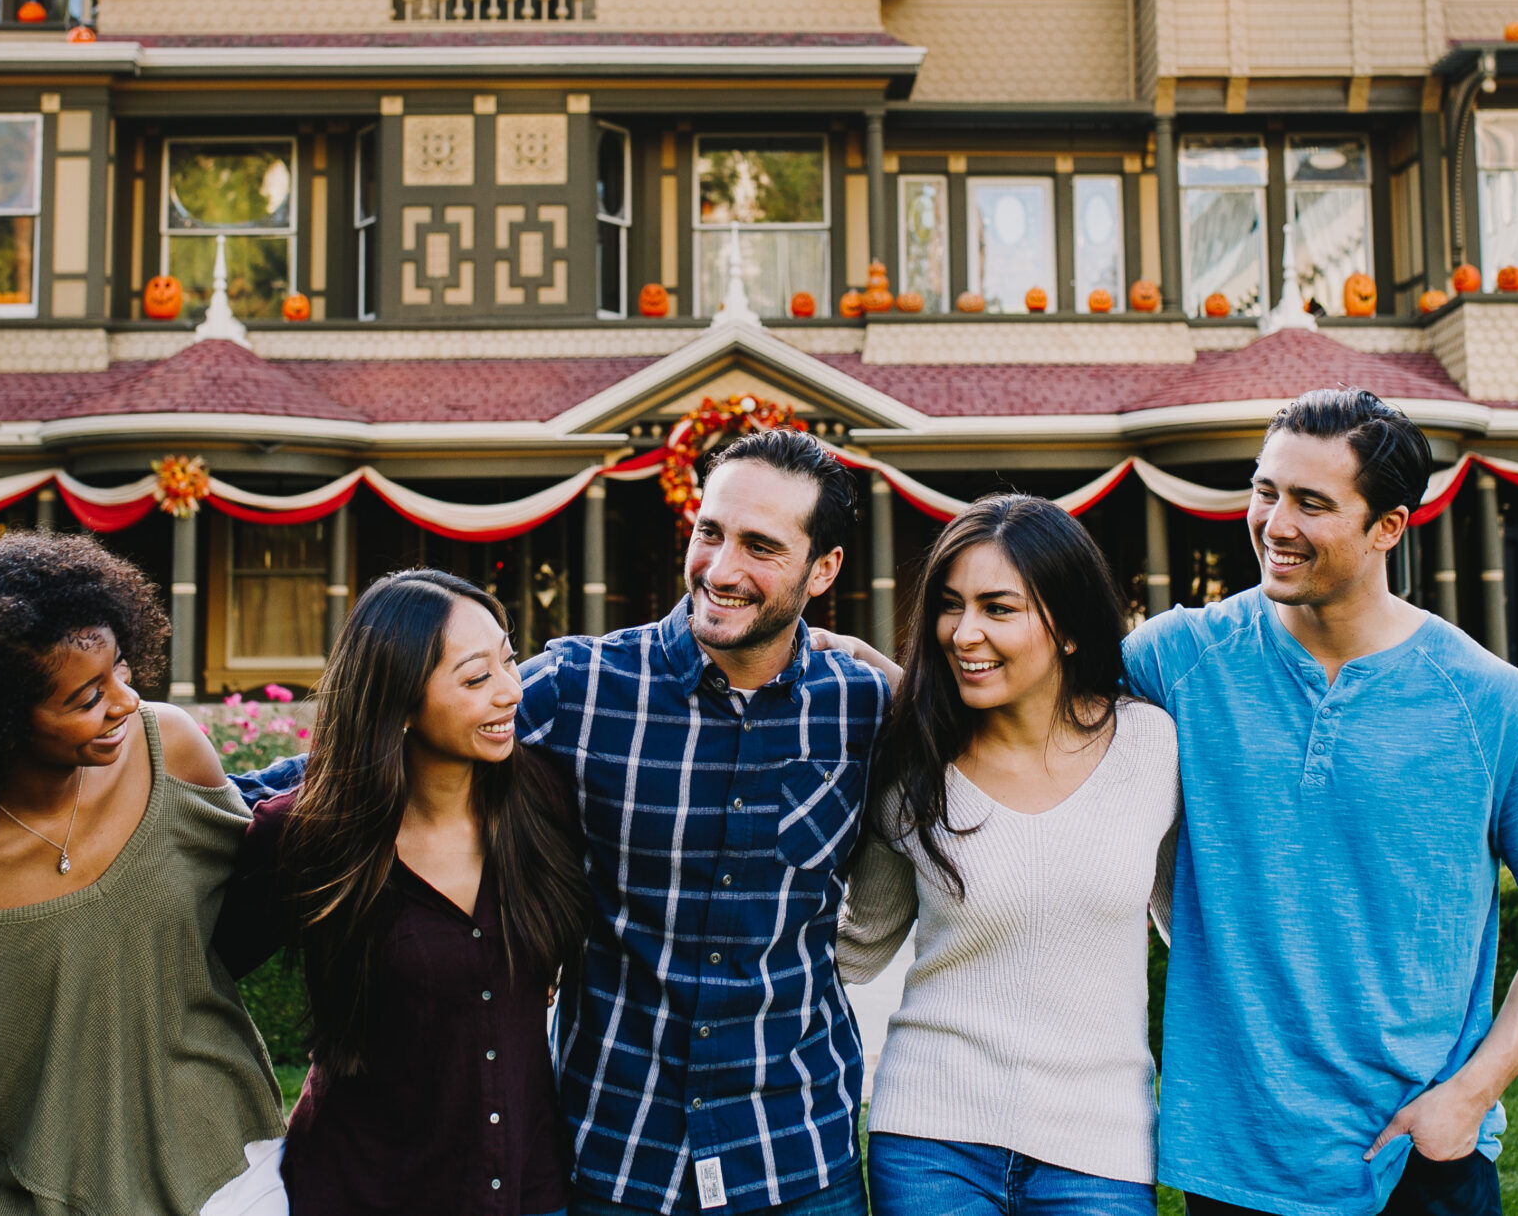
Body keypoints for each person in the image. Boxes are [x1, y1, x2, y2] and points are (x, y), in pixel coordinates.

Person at [234, 427, 891, 1216]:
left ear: (824, 571)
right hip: (617, 1158)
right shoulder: (584, 688)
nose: (720, 568)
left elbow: (1001, 744)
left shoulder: (865, 710)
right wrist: (139, 770)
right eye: (710, 531)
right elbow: (365, 756)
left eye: (761, 547)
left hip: (797, 1154)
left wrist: (909, 675)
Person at [1124, 388, 1518, 1216]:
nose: (1274, 523)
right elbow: (1029, 705)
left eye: (1311, 503)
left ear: (1389, 527)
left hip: (1422, 1155)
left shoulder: (1493, 704)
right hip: (1234, 1161)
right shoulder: (1177, 659)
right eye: (1265, 490)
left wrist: (1471, 1095)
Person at [0, 533, 287, 1216]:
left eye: (121, 668)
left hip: (239, 1174)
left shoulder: (170, 752)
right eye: (86, 696)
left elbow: (260, 904)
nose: (123, 701)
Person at [839, 494, 1179, 1216]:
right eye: (951, 605)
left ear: (1069, 628)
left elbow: (1199, 929)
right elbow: (857, 948)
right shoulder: (912, 764)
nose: (964, 633)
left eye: (998, 608)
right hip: (931, 1139)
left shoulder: (1153, 747)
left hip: (1100, 1148)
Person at [214, 569, 591, 1216]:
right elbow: (198, 978)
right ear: (400, 704)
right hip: (362, 1190)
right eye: (476, 679)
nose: (510, 693)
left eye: (510, 661)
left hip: (531, 1192)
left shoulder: (545, 801)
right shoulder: (304, 837)